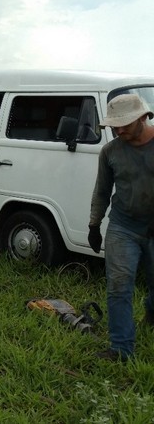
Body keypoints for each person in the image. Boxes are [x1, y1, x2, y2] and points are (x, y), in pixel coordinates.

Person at [88, 93, 154, 361]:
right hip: (123, 226)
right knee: (118, 285)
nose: (119, 130)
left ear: (143, 117)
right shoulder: (110, 152)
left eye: (124, 124)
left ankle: (151, 313)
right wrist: (94, 224)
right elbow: (102, 191)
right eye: (115, 125)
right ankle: (121, 348)